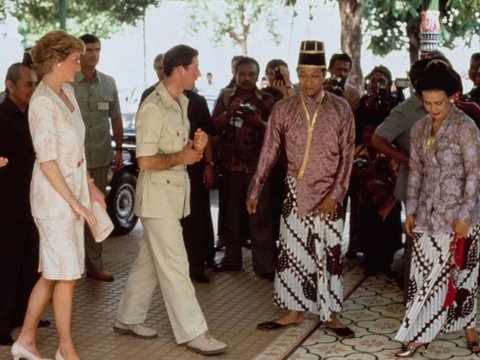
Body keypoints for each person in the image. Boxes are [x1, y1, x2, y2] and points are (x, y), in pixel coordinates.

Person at [114, 44, 227, 355]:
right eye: (196, 67)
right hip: (157, 200)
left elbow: (179, 149)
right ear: (181, 70)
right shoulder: (153, 107)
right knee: (177, 264)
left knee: (149, 261)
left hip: (173, 196)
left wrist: (196, 144)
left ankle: (127, 318)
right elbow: (145, 160)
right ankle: (195, 332)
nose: (200, 73)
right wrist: (185, 155)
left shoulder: (182, 102)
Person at [247, 40, 355, 337]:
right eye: (304, 75)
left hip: (330, 193)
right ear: (296, 73)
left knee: (328, 253)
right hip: (295, 190)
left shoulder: (341, 108)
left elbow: (348, 157)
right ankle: (293, 312)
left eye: (315, 75)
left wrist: (336, 195)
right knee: (292, 251)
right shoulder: (283, 108)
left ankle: (330, 313)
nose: (309, 82)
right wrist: (254, 189)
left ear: (325, 75)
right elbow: (268, 152)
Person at [11, 30, 105, 360]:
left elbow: (75, 149)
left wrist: (90, 185)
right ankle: (66, 350)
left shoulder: (67, 91)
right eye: (75, 60)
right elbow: (47, 161)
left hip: (73, 191)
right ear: (55, 61)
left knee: (54, 273)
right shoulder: (40, 103)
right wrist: (75, 201)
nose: (80, 67)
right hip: (53, 199)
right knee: (66, 275)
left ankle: (25, 340)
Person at [395, 60, 480, 357]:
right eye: (428, 103)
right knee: (423, 277)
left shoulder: (466, 127)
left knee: (462, 276)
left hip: (460, 216)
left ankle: (470, 327)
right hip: (427, 217)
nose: (433, 108)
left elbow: (475, 174)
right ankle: (420, 334)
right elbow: (416, 171)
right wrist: (412, 210)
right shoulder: (419, 128)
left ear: (452, 96)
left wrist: (465, 217)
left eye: (439, 102)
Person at [211, 56, 275, 279]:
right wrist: (228, 113)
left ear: (258, 76)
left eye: (251, 74)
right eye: (242, 74)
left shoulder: (267, 100)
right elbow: (212, 128)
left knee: (260, 217)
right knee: (230, 218)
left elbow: (278, 135)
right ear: (235, 75)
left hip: (257, 170)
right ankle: (232, 260)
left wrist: (259, 123)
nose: (247, 79)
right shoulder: (226, 98)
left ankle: (265, 266)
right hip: (230, 167)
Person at [72, 33, 123, 282]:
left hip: (101, 155)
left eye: (98, 50)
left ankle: (94, 264)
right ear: (79, 53)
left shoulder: (109, 83)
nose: (94, 54)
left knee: (97, 210)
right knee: (72, 211)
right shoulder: (67, 82)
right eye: (89, 50)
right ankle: (70, 266)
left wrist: (120, 149)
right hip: (73, 161)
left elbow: (115, 117)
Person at [0, 63, 43, 346]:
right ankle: (1, 322)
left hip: (34, 201)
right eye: (28, 84)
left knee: (30, 262)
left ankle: (22, 315)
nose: (32, 89)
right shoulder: (1, 116)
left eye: (34, 84)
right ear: (10, 84)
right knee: (7, 265)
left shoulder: (34, 115)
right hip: (7, 203)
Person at [349, 119, 401, 276]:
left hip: (388, 201)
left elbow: (397, 176)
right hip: (366, 199)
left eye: (372, 131)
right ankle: (370, 263)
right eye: (366, 131)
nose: (368, 135)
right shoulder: (357, 151)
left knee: (388, 233)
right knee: (367, 230)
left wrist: (378, 182)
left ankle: (387, 264)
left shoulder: (390, 151)